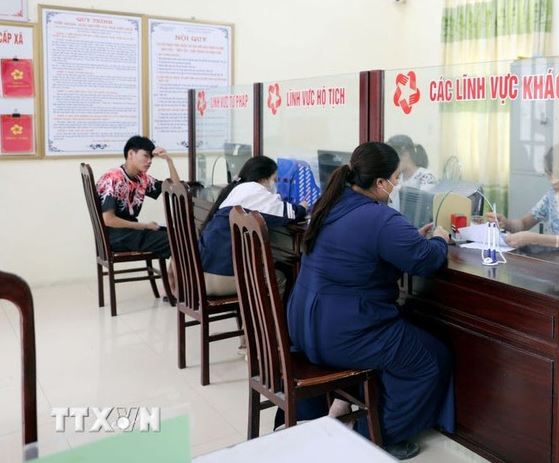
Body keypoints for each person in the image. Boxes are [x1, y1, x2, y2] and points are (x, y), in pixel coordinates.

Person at [286, 141, 453, 460]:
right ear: (380, 182)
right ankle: (372, 436)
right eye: (395, 178)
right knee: (431, 359)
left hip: (304, 327)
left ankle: (348, 411)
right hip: (344, 333)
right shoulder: (379, 218)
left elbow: (360, 251)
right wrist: (440, 240)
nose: (396, 185)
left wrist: (406, 241)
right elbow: (428, 261)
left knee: (405, 337)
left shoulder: (329, 203)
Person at [199, 155, 307, 297]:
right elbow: (288, 213)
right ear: (263, 179)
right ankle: (270, 319)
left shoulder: (236, 191)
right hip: (221, 279)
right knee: (279, 278)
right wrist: (303, 207)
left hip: (201, 275)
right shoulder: (255, 192)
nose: (275, 184)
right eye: (274, 180)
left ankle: (251, 319)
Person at [96, 135, 180, 297]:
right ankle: (173, 286)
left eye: (151, 157)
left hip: (129, 233)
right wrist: (144, 226)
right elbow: (108, 219)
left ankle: (171, 283)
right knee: (176, 239)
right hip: (116, 236)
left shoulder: (142, 178)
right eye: (145, 156)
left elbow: (176, 189)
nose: (149, 161)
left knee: (177, 235)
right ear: (130, 154)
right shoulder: (114, 178)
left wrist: (169, 161)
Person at [491, 142, 559, 250]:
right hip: (551, 260)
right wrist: (507, 224)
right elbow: (524, 223)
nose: (552, 181)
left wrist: (536, 239)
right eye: (549, 175)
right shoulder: (552, 195)